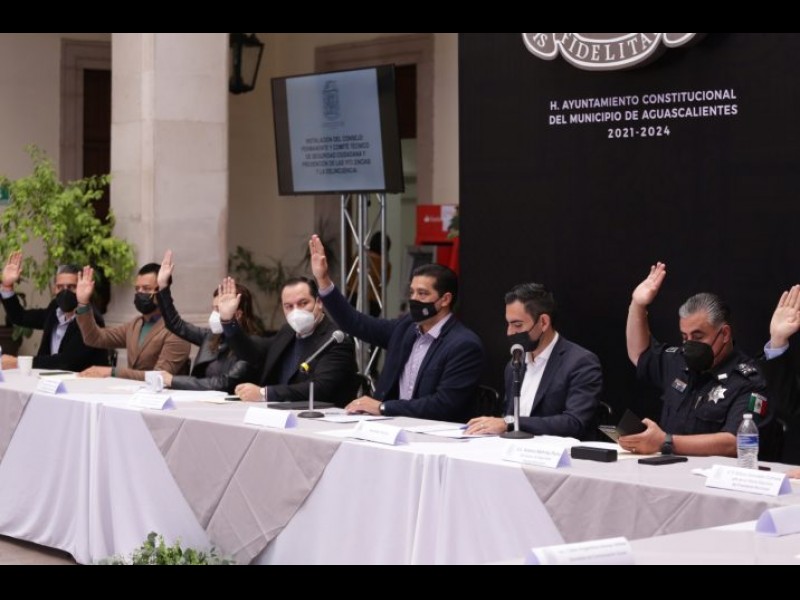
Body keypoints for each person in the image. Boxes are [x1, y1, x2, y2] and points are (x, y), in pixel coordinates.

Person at [309, 234, 485, 422]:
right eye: (412, 292)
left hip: (433, 430)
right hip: (391, 425)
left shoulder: (463, 345)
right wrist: (323, 280)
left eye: (423, 293)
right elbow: (355, 323)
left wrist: (383, 407)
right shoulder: (406, 327)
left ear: (445, 299)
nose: (414, 299)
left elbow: (443, 405)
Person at [623, 262, 778, 458]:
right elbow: (640, 353)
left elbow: (736, 442)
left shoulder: (748, 381)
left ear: (724, 334)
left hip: (714, 473)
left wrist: (666, 442)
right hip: (667, 468)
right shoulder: (679, 361)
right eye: (684, 337)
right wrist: (637, 305)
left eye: (698, 337)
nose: (689, 345)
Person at [465, 283, 602, 438]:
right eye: (508, 324)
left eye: (517, 325)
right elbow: (508, 415)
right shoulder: (514, 364)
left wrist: (510, 423)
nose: (509, 332)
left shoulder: (580, 362)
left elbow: (574, 422)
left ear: (543, 322)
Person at [217, 275, 359, 407]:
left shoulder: (336, 339)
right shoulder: (288, 331)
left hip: (320, 416)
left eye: (303, 303)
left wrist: (264, 394)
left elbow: (320, 388)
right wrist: (228, 320)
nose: (296, 311)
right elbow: (252, 353)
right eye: (289, 306)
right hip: (279, 412)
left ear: (319, 302)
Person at [154, 250, 262, 393]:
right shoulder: (212, 337)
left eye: (219, 309)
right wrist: (163, 287)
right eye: (213, 309)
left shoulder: (251, 345)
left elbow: (225, 383)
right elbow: (176, 324)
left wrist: (173, 380)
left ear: (238, 314)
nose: (214, 314)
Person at [75, 263, 191, 379]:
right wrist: (83, 303)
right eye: (137, 289)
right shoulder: (136, 324)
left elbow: (159, 377)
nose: (140, 293)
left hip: (162, 391)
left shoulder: (178, 331)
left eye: (146, 288)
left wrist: (112, 372)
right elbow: (95, 338)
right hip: (132, 389)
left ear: (162, 291)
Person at [0, 252, 108, 371]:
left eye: (71, 287)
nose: (65, 292)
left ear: (82, 288)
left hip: (84, 381)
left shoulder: (92, 319)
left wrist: (19, 362)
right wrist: (7, 286)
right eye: (60, 287)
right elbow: (20, 317)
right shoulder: (55, 309)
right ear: (54, 289)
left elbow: (66, 362)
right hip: (50, 379)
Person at [347, 232, 392, 318]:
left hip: (353, 296)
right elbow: (383, 283)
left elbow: (350, 278)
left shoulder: (358, 257)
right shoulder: (385, 265)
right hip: (374, 302)